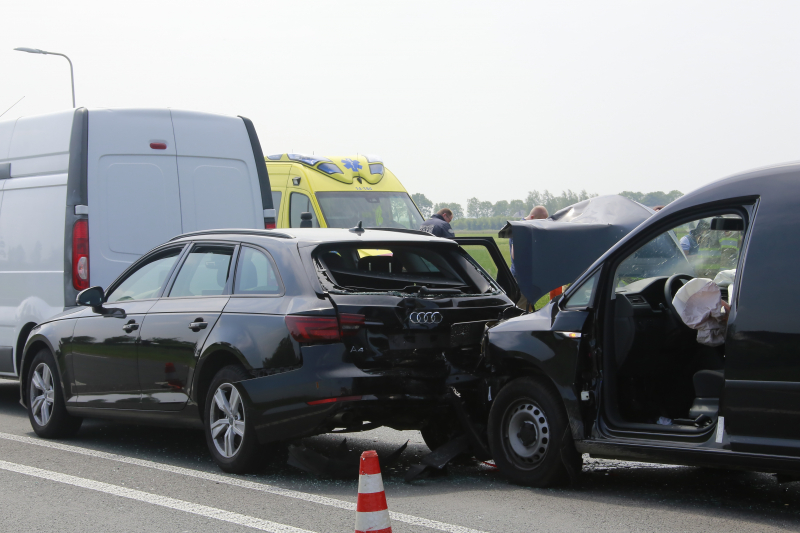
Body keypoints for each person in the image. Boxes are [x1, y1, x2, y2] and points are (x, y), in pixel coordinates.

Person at [510, 206, 549, 311]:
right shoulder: (521, 229)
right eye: (540, 222)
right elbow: (516, 254)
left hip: (525, 276)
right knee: (520, 309)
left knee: (526, 306)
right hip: (522, 277)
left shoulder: (527, 227)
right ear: (532, 217)